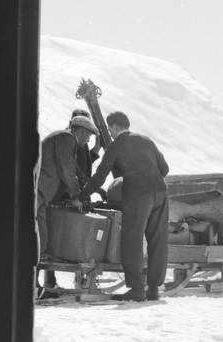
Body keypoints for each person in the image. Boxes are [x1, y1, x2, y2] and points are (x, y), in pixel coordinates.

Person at [80, 110, 169, 302]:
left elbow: (100, 176)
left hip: (138, 195)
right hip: (161, 192)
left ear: (114, 127)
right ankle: (153, 289)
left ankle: (137, 289)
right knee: (158, 241)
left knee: (132, 240)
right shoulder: (146, 140)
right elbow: (165, 169)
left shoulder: (116, 145)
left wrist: (82, 196)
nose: (110, 134)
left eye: (110, 130)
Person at [36, 115, 100, 298]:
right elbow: (66, 169)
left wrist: (89, 187)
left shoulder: (64, 139)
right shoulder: (67, 138)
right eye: (88, 136)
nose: (88, 140)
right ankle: (33, 287)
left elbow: (73, 169)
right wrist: (76, 196)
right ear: (80, 131)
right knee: (37, 238)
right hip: (38, 192)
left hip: (41, 194)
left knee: (39, 236)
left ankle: (36, 286)